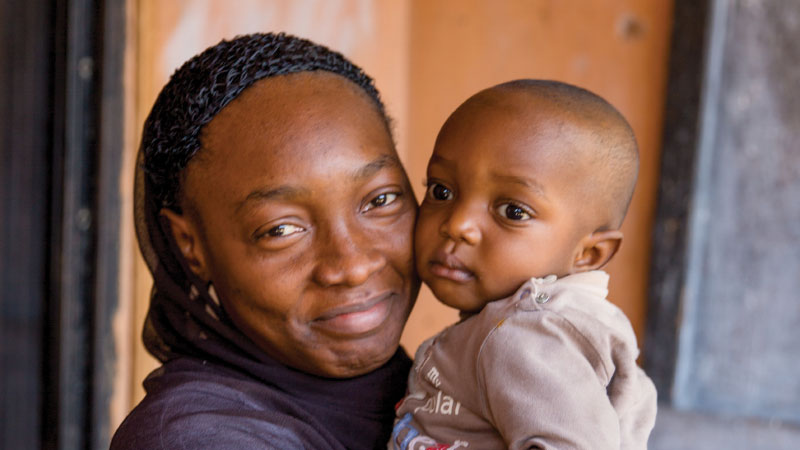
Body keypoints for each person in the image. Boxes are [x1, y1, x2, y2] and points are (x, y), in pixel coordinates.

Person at [111, 32, 420, 450]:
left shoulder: (446, 386)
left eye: (380, 200)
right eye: (281, 230)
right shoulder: (196, 440)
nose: (352, 266)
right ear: (190, 244)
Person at [390, 80, 657, 450]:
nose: (457, 225)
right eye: (441, 191)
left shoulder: (525, 337)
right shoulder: (517, 327)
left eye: (513, 211)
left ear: (588, 255)